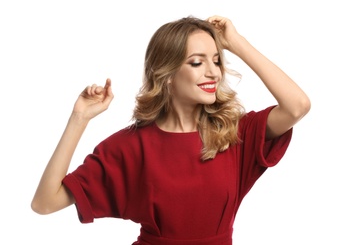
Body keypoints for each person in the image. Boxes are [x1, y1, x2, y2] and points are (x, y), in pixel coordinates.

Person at [31, 15, 311, 245]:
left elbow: (297, 105)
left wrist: (237, 43)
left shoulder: (234, 134)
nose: (213, 72)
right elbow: (45, 203)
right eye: (197, 62)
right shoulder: (130, 146)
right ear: (166, 74)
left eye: (216, 60)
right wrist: (79, 118)